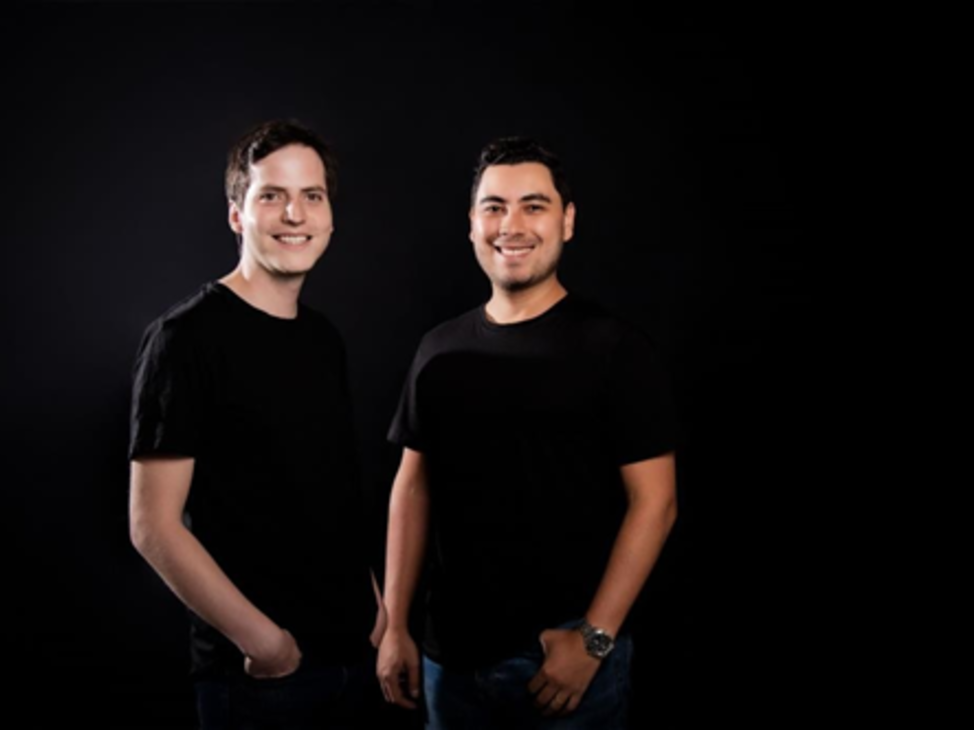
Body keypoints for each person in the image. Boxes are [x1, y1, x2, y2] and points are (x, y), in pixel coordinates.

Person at [377, 137, 678, 729]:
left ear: (567, 220)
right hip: (449, 663)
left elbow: (657, 502)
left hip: (563, 664)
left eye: (533, 206)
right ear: (471, 223)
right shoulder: (437, 349)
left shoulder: (615, 348)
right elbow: (412, 490)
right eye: (493, 207)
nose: (510, 225)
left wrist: (594, 640)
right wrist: (395, 626)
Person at [129, 119, 385, 729]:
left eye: (312, 196)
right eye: (271, 195)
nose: (294, 214)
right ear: (237, 215)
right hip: (263, 680)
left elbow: (331, 493)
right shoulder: (184, 339)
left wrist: (378, 612)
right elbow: (152, 525)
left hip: (357, 658)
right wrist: (265, 645)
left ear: (329, 216)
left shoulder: (324, 339)